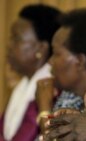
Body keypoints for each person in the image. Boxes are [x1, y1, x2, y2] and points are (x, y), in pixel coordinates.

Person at [0, 4, 61, 141]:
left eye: (16, 38)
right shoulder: (22, 86)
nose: (8, 45)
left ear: (40, 48)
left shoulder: (53, 92)